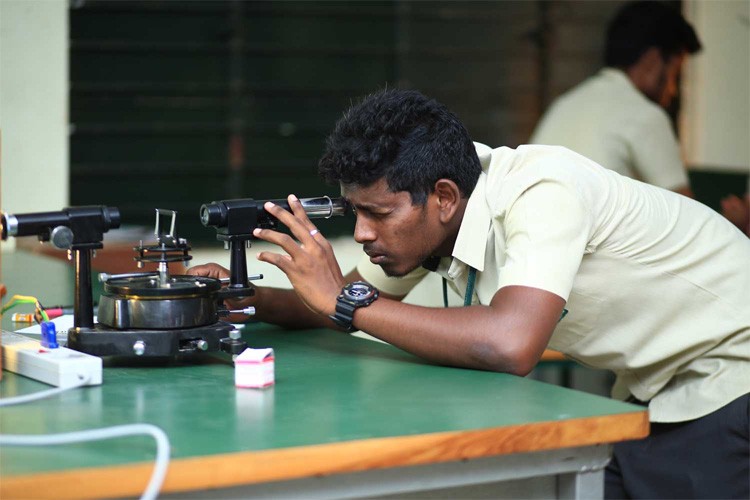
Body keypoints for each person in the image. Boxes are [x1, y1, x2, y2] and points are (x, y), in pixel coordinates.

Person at [190, 89, 750, 499]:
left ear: (444, 197)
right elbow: (350, 302)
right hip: (656, 389)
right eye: (354, 212)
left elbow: (511, 343)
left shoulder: (541, 190)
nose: (361, 234)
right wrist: (246, 300)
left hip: (728, 376)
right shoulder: (444, 214)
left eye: (376, 214)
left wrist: (346, 301)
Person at [530, 1, 701, 197]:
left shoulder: (562, 105)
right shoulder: (645, 114)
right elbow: (684, 211)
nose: (673, 91)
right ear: (652, 61)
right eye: (675, 74)